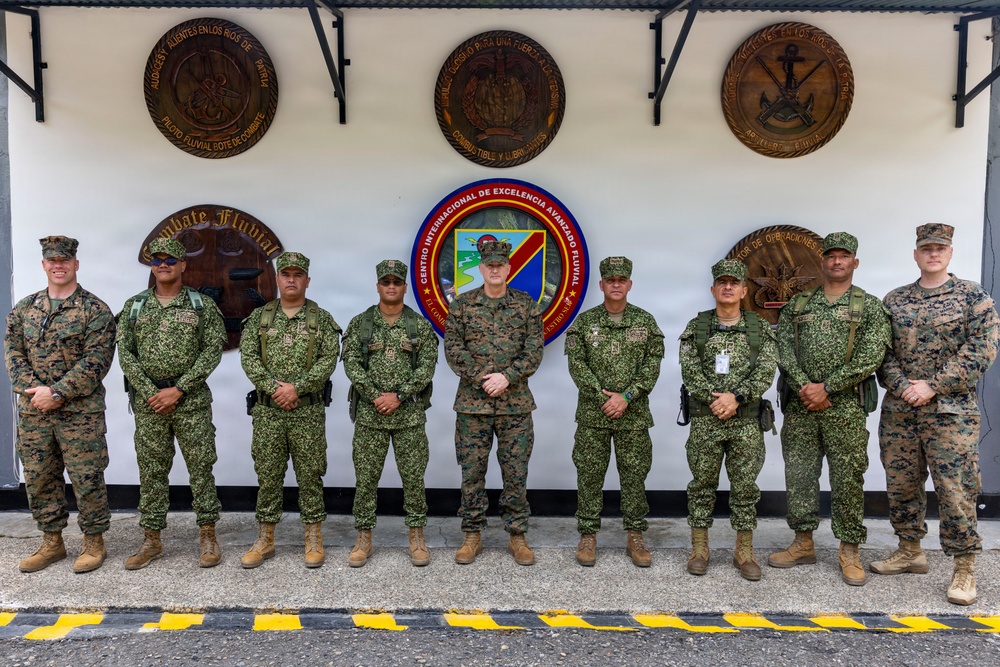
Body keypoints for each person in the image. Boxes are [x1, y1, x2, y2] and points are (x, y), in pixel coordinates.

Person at [873, 223, 999, 606]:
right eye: (926, 248)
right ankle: (910, 550)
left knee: (955, 489)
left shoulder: (972, 297)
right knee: (902, 484)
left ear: (950, 253)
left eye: (939, 248)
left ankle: (964, 568)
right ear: (915, 254)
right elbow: (880, 353)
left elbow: (982, 349)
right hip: (901, 411)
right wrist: (902, 386)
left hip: (951, 413)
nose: (933, 254)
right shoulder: (894, 301)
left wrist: (933, 385)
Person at [769, 232, 891, 586]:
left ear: (854, 262)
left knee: (848, 478)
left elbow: (872, 354)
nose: (837, 261)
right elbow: (784, 348)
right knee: (800, 475)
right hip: (802, 405)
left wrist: (827, 387)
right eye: (831, 256)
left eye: (844, 256)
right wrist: (805, 385)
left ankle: (849, 549)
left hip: (846, 407)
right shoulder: (799, 303)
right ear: (821, 262)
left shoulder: (868, 306)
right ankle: (803, 542)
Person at [5, 236, 116, 574]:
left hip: (79, 414)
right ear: (43, 265)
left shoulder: (95, 310)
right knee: (39, 477)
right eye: (52, 260)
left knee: (86, 477)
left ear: (75, 265)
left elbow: (96, 361)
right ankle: (52, 542)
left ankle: (93, 542)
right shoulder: (25, 309)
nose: (58, 265)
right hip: (34, 412)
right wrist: (33, 390)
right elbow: (13, 353)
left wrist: (57, 393)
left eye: (64, 260)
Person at [117, 237, 227, 570]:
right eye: (157, 261)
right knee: (151, 471)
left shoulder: (200, 306)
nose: (163, 265)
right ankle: (151, 540)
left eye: (170, 260)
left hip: (190, 402)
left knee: (201, 469)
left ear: (183, 265)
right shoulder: (135, 306)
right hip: (150, 404)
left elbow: (212, 350)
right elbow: (126, 354)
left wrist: (178, 389)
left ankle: (208, 536)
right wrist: (152, 392)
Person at [444, 240, 544, 566]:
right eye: (490, 266)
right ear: (482, 269)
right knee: (472, 471)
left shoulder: (526, 305)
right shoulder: (462, 305)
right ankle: (472, 534)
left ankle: (517, 535)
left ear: (509, 269)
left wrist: (508, 377)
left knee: (515, 472)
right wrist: (484, 377)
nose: (495, 270)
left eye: (501, 265)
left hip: (515, 404)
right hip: (473, 404)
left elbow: (534, 350)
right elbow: (454, 350)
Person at [239, 252, 341, 569]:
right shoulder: (259, 318)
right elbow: (249, 358)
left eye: (298, 274)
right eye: (286, 274)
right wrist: (274, 389)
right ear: (277, 279)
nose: (292, 279)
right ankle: (265, 539)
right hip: (268, 412)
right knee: (268, 474)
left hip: (306, 412)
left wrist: (296, 388)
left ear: (307, 280)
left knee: (310, 475)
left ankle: (313, 538)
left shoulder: (321, 319)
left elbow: (328, 359)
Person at [678, 259, 777, 580]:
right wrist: (715, 400)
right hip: (707, 420)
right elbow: (690, 371)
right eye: (722, 282)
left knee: (745, 488)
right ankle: (699, 548)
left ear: (744, 290)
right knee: (702, 486)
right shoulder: (698, 327)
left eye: (734, 283)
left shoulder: (759, 328)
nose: (728, 287)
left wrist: (736, 398)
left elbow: (766, 370)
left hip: (746, 422)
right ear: (713, 289)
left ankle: (744, 551)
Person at [564, 256, 664, 568]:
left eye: (622, 280)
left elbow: (652, 366)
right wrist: (602, 398)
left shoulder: (645, 322)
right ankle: (588, 535)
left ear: (630, 284)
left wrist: (627, 396)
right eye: (611, 280)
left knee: (634, 477)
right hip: (594, 416)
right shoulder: (584, 322)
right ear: (602, 285)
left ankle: (635, 535)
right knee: (590, 475)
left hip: (632, 416)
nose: (616, 284)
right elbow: (576, 365)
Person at [342, 259, 438, 568]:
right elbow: (352, 363)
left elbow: (427, 367)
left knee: (413, 478)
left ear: (405, 287)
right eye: (386, 282)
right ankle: (364, 537)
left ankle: (416, 536)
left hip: (408, 416)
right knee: (366, 479)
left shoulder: (419, 325)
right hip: (371, 417)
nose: (391, 286)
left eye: (397, 282)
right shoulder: (362, 323)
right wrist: (374, 396)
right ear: (378, 286)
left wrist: (398, 396)